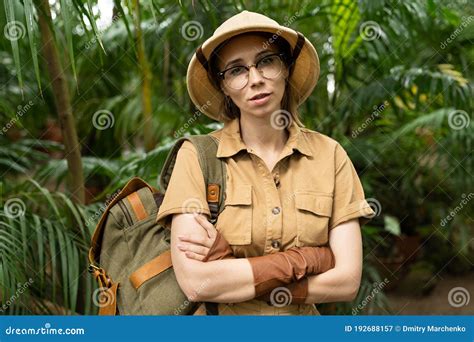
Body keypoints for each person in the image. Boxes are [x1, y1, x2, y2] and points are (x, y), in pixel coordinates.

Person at [156, 10, 375, 315]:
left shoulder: (330, 155)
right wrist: (309, 260)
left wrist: (235, 272)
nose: (255, 79)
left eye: (267, 61)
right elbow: (196, 283)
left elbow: (346, 281)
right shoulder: (197, 157)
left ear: (286, 68)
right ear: (224, 87)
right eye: (236, 70)